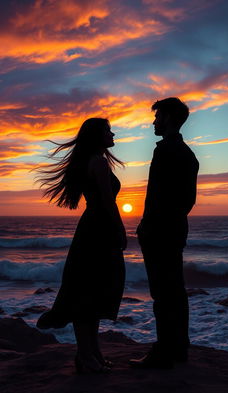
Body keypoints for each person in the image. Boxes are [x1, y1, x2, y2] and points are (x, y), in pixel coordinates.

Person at [36, 118, 126, 374]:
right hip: (99, 228)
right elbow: (109, 202)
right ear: (98, 135)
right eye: (109, 130)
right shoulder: (97, 162)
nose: (113, 134)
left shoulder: (95, 160)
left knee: (92, 293)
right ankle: (86, 356)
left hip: (93, 228)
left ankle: (92, 354)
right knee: (90, 294)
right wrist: (120, 229)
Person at [129, 97, 199, 369]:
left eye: (157, 117)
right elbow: (186, 201)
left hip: (161, 232)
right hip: (172, 230)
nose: (153, 122)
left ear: (168, 118)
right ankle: (177, 348)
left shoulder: (168, 151)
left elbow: (163, 198)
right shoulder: (185, 153)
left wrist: (149, 226)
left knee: (164, 293)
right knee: (174, 292)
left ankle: (164, 352)